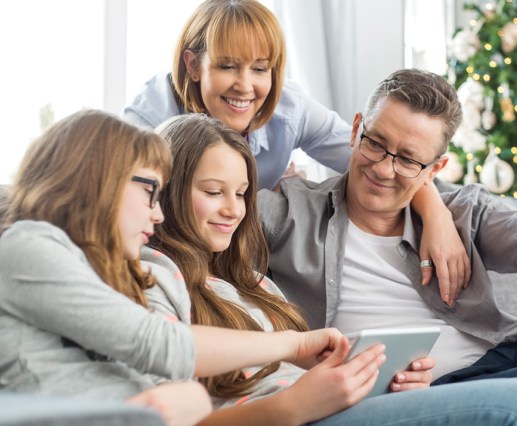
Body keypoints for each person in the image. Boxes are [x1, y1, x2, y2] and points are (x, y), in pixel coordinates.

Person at [144, 112, 517, 426]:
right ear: (167, 190)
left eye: (243, 193)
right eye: (212, 191)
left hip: (332, 406)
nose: (234, 210)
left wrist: (378, 377)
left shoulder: (249, 280)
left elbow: (301, 363)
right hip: (296, 416)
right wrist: (296, 403)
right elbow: (166, 413)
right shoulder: (153, 277)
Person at [257, 68, 517, 425]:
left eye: (408, 160)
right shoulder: (290, 213)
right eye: (375, 143)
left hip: (506, 363)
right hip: (426, 395)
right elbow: (207, 198)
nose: (383, 169)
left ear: (434, 170)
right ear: (356, 129)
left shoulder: (457, 212)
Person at [0, 109, 369, 426]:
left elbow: (167, 382)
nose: (157, 213)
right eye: (150, 193)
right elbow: (159, 345)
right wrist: (294, 345)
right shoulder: (28, 245)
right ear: (102, 182)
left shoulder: (89, 268)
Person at [122, 0, 472, 301]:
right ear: (193, 65)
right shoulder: (149, 120)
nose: (245, 86)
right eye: (228, 66)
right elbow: (125, 216)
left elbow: (373, 156)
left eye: (260, 68)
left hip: (240, 256)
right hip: (168, 251)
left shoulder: (289, 109)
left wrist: (435, 213)